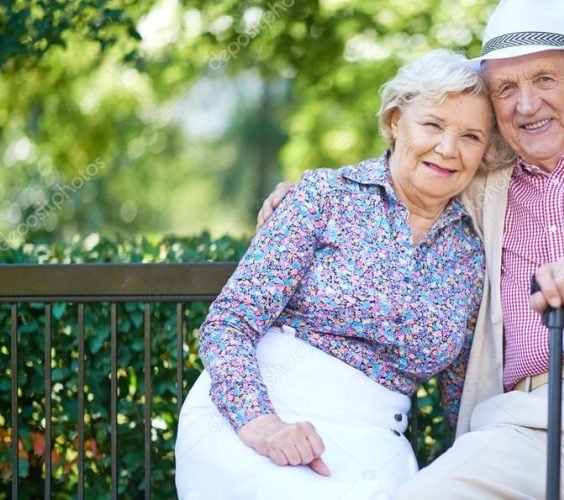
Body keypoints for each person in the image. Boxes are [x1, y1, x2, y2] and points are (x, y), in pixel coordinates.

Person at [258, 1, 564, 498]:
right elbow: (416, 158)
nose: (526, 105)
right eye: (506, 88)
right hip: (522, 425)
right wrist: (314, 192)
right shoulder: (482, 185)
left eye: (545, 79)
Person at [175, 49, 511, 500]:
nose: (448, 149)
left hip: (374, 445)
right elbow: (229, 322)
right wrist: (263, 424)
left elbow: (461, 396)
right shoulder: (324, 196)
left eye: (470, 136)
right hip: (254, 415)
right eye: (432, 125)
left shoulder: (470, 253)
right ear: (395, 122)